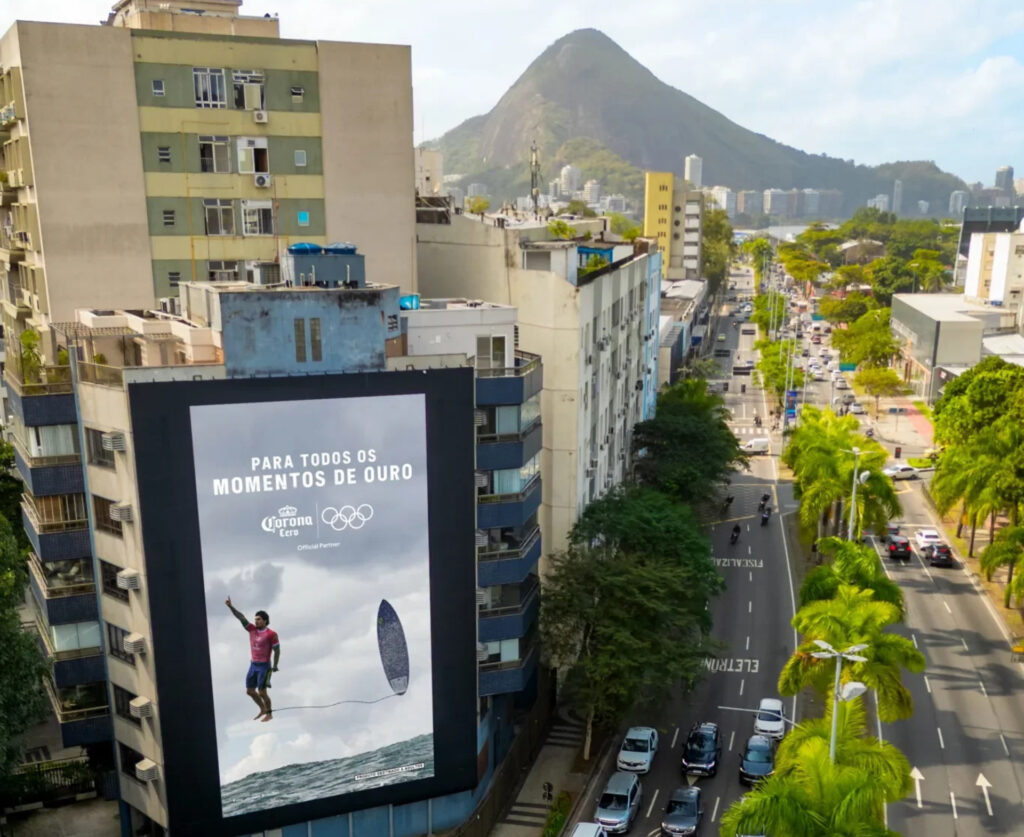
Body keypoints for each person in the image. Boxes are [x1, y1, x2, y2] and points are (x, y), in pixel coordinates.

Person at [225, 597, 280, 722]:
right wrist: (230, 607)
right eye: (255, 619)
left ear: (265, 621)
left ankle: (269, 713)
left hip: (264, 666)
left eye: (259, 620)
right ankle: (262, 708)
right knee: (250, 691)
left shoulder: (271, 634)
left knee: (262, 692)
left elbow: (277, 650)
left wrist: (275, 665)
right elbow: (241, 617)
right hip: (253, 665)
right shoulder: (252, 629)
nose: (256, 622)